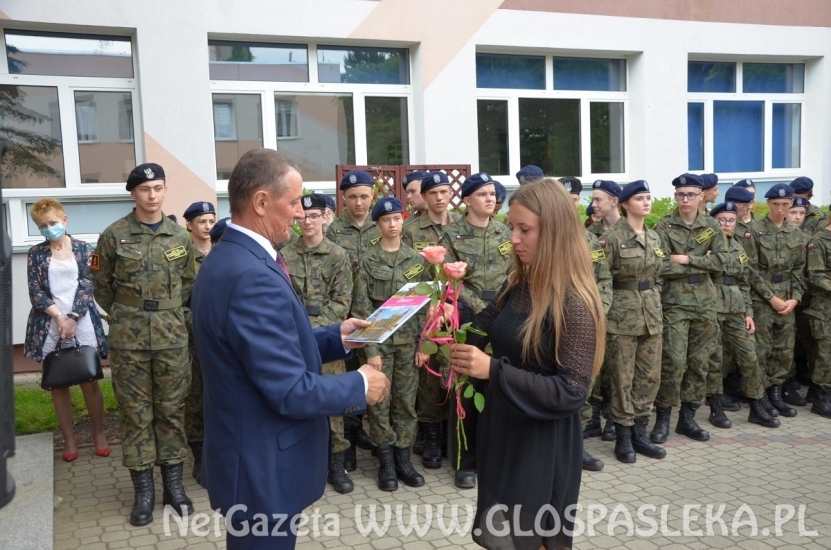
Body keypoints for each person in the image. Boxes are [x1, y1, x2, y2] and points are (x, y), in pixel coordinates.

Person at [190, 149, 390, 550]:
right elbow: (288, 389)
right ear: (262, 201)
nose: (302, 213)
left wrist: (338, 338)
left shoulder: (233, 257)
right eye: (295, 201)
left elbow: (263, 353)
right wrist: (358, 385)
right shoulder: (250, 275)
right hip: (261, 468)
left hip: (252, 459)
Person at [449, 179, 605, 550]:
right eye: (512, 228)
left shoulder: (574, 303)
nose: (514, 239)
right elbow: (480, 328)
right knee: (504, 535)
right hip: (505, 429)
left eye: (525, 230)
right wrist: (445, 298)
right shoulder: (520, 285)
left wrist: (493, 370)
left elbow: (571, 392)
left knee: (532, 539)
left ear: (554, 233)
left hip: (541, 444)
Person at [91, 163, 198, 526]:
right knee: (136, 413)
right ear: (133, 193)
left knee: (171, 411)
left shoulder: (179, 237)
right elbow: (101, 287)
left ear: (165, 191)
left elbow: (188, 285)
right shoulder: (113, 235)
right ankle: (144, 493)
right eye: (144, 189)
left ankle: (173, 487)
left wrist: (171, 317)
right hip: (129, 341)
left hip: (171, 338)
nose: (152, 196)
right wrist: (129, 316)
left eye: (158, 188)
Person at [440, 172, 513, 488]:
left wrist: (501, 306)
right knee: (466, 394)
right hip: (468, 319)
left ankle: (495, 457)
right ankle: (464, 463)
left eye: (493, 194)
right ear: (467, 200)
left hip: (504, 315)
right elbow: (447, 279)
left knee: (499, 387)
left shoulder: (504, 233)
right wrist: (479, 307)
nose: (490, 199)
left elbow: (515, 274)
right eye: (482, 194)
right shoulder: (451, 235)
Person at [24, 198, 110, 462]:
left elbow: (89, 284)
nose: (49, 228)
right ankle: (69, 439)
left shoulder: (88, 250)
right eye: (43, 225)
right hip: (49, 323)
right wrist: (60, 317)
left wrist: (73, 316)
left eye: (53, 222)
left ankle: (99, 434)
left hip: (82, 323)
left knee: (89, 380)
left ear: (64, 220)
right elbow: (35, 292)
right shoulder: (35, 254)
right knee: (57, 383)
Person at [352, 197, 428, 492]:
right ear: (378, 225)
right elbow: (361, 308)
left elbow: (423, 307)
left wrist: (424, 345)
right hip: (380, 345)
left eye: (397, 218)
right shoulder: (368, 261)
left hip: (409, 343)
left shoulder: (416, 261)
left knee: (407, 403)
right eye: (386, 220)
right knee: (380, 404)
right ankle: (386, 462)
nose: (393, 224)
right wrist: (370, 351)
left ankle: (403, 460)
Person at [281, 193, 355, 493]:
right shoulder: (284, 255)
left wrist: (315, 332)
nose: (308, 222)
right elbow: (283, 301)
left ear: (326, 217)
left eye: (314, 216)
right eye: (302, 217)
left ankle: (337, 466)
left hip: (328, 342)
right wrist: (301, 333)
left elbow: (342, 302)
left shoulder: (339, 255)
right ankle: (302, 467)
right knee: (300, 402)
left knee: (332, 405)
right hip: (295, 343)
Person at [651, 173, 728, 443]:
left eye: (691, 194)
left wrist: (685, 259)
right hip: (674, 303)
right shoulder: (663, 226)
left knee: (699, 362)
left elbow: (721, 262)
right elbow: (660, 264)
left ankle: (687, 419)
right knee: (673, 360)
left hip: (705, 303)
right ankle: (662, 419)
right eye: (681, 194)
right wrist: (701, 261)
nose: (685, 199)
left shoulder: (712, 226)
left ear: (701, 196)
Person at [602, 180, 668, 463]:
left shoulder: (653, 237)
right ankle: (624, 436)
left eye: (649, 198)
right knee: (622, 378)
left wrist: (654, 297)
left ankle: (641, 432)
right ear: (625, 204)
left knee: (649, 377)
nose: (646, 203)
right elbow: (602, 278)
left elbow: (660, 274)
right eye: (640, 198)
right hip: (622, 316)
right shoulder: (612, 238)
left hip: (651, 315)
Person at [704, 202, 780, 429]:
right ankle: (715, 407)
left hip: (736, 308)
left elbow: (744, 282)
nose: (726, 224)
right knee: (715, 359)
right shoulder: (703, 244)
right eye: (722, 220)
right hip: (712, 305)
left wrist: (748, 312)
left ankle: (756, 405)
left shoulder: (737, 246)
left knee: (749, 355)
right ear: (713, 221)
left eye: (731, 220)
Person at [403, 171, 459, 469]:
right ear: (424, 197)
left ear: (451, 194)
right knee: (428, 376)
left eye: (444, 192)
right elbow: (409, 274)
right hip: (424, 313)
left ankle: (452, 435)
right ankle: (431, 437)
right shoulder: (410, 231)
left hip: (457, 313)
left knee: (454, 372)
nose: (439, 197)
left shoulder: (462, 227)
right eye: (433, 193)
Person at [326, 169, 381, 460]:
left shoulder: (380, 226)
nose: (359, 202)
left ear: (372, 197)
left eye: (364, 196)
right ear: (343, 199)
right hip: (344, 313)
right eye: (353, 197)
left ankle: (367, 428)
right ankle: (348, 431)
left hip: (375, 310)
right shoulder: (334, 230)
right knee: (346, 372)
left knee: (372, 368)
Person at [743, 183, 806, 418]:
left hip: (787, 298)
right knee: (761, 350)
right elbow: (749, 270)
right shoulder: (755, 231)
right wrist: (770, 297)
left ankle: (777, 394)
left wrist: (795, 299)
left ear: (791, 204)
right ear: (767, 203)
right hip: (762, 299)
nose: (780, 209)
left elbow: (800, 271)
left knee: (783, 350)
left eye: (785, 204)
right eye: (776, 204)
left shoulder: (797, 234)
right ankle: (762, 397)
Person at [181, 200, 217, 484]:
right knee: (196, 397)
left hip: (222, 337)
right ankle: (200, 456)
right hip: (192, 338)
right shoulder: (182, 257)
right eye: (202, 222)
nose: (207, 227)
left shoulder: (223, 253)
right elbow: (177, 301)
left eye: (211, 221)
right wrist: (196, 322)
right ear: (189, 225)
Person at [804, 215, 831, 418]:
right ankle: (821, 397)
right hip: (824, 306)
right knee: (825, 353)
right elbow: (815, 275)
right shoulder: (818, 241)